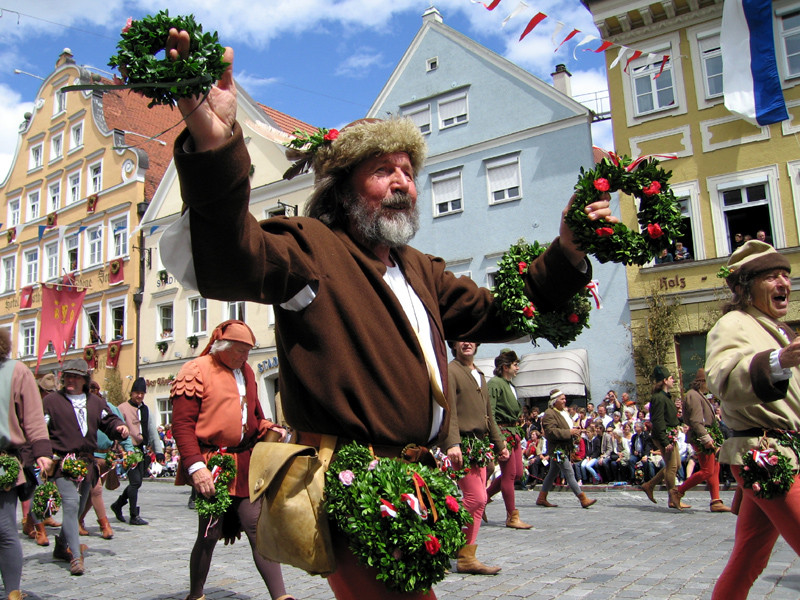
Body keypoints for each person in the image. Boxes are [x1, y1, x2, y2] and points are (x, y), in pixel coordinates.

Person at [159, 29, 614, 600]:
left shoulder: (420, 268)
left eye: (408, 170)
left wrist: (569, 247)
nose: (402, 182)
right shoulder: (311, 247)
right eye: (382, 171)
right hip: (348, 484)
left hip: (414, 481)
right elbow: (233, 257)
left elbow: (500, 310)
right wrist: (214, 138)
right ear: (345, 188)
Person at [171, 320, 294, 600]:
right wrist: (195, 466)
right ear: (222, 347)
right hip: (212, 464)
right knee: (210, 532)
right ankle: (196, 594)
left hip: (245, 463)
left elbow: (255, 417)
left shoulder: (247, 371)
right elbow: (181, 426)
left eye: (248, 351)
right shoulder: (195, 370)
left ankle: (281, 596)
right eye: (240, 351)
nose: (245, 357)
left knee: (257, 526)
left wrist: (271, 429)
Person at [706, 241, 800, 599]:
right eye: (772, 276)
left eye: (786, 275)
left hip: (786, 452)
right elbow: (723, 379)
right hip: (766, 455)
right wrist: (777, 361)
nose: (783, 283)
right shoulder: (734, 323)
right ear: (746, 287)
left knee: (749, 558)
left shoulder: (778, 329)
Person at [42, 359, 128, 576]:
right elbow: (40, 428)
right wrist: (39, 453)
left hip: (86, 463)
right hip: (62, 462)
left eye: (75, 377)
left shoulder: (95, 402)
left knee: (79, 508)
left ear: (84, 380)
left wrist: (120, 428)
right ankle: (75, 556)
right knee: (70, 505)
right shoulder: (52, 401)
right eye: (67, 376)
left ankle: (61, 546)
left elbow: (108, 421)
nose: (70, 380)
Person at [442, 341, 508, 575]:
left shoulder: (480, 373)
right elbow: (447, 408)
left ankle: (466, 556)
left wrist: (500, 444)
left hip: (480, 446)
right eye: (461, 338)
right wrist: (453, 442)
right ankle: (444, 545)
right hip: (463, 445)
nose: (467, 342)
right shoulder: (451, 370)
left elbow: (489, 414)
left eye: (471, 338)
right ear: (455, 345)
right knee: (477, 498)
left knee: (478, 503)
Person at [0, 329, 53, 600]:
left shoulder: (16, 371)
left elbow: (33, 417)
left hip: (2, 463)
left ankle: (12, 592)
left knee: (4, 529)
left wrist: (43, 452)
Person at [77, 380, 134, 539]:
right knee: (95, 490)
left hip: (106, 457)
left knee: (90, 493)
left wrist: (129, 449)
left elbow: (122, 429)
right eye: (91, 390)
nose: (94, 392)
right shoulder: (82, 409)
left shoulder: (109, 408)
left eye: (96, 390)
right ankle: (104, 525)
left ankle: (79, 520)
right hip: (89, 457)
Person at [671, 369, 731, 512]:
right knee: (707, 471)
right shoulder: (693, 396)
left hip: (706, 434)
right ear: (702, 382)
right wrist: (705, 438)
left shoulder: (697, 395)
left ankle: (716, 500)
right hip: (701, 436)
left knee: (715, 468)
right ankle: (678, 492)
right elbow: (696, 421)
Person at [486, 349, 533, 529]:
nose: (517, 368)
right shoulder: (495, 384)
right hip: (504, 432)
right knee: (509, 474)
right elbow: (490, 412)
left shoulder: (510, 385)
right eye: (515, 365)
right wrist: (498, 438)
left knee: (519, 473)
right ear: (505, 367)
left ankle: (484, 499)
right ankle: (511, 516)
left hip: (514, 431)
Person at [110, 377, 164, 526]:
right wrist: (118, 449)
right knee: (135, 482)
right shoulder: (122, 409)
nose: (139, 396)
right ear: (131, 393)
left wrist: (158, 451)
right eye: (137, 393)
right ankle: (134, 514)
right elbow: (115, 428)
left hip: (142, 450)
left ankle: (118, 504)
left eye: (142, 393)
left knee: (137, 483)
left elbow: (152, 430)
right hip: (128, 449)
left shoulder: (145, 410)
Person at [536, 389, 596, 508]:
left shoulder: (563, 412)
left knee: (552, 473)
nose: (565, 401)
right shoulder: (549, 413)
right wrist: (569, 432)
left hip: (565, 446)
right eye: (562, 399)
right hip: (557, 449)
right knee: (569, 472)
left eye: (564, 398)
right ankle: (582, 498)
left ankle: (541, 498)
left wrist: (576, 431)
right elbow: (550, 432)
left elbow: (567, 426)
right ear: (555, 401)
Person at [640, 366, 688, 510]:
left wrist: (681, 422)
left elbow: (670, 416)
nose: (673, 380)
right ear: (665, 381)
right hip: (664, 436)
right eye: (671, 378)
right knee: (672, 467)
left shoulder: (666, 396)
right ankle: (673, 498)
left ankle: (650, 485)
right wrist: (665, 441)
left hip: (670, 434)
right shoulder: (658, 398)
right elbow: (658, 420)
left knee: (676, 465)